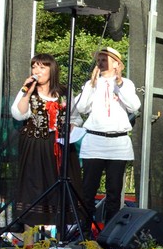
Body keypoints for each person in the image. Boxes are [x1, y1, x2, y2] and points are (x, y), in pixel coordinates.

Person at [10, 53, 80, 230]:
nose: (37, 71)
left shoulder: (64, 92)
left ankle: (61, 238)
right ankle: (29, 239)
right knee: (33, 188)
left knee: (62, 186)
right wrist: (26, 92)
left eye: (42, 67)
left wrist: (70, 127)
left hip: (59, 145)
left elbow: (75, 117)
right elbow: (18, 114)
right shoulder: (28, 90)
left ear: (52, 69)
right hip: (35, 145)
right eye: (34, 67)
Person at [75, 46, 141, 232]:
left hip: (118, 143)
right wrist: (91, 85)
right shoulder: (90, 84)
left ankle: (110, 235)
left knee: (114, 193)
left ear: (116, 63)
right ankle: (85, 233)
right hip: (94, 141)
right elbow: (81, 108)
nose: (100, 62)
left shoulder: (126, 83)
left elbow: (134, 106)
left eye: (104, 59)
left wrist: (119, 83)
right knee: (88, 190)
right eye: (99, 59)